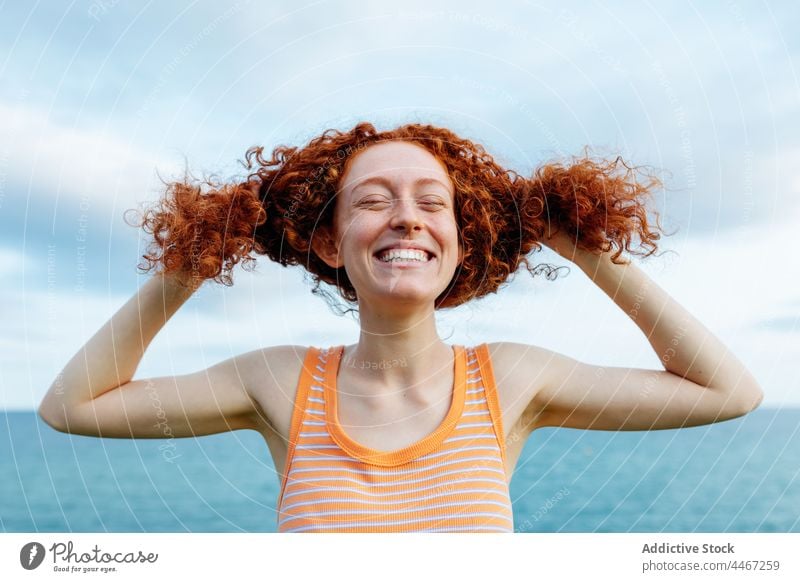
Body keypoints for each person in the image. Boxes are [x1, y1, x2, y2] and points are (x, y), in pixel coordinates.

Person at [38, 122, 764, 533]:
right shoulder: (280, 381)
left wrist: (587, 250)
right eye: (374, 201)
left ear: (460, 237)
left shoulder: (508, 379)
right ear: (330, 244)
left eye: (431, 203)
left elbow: (727, 391)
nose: (406, 217)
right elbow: (70, 407)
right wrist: (194, 258)